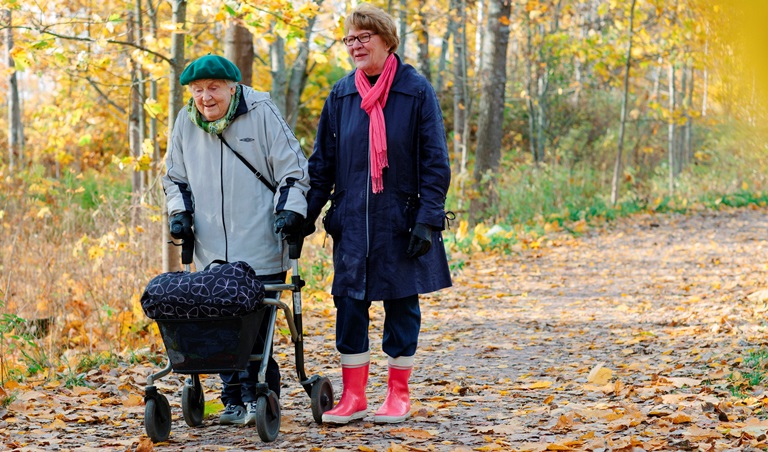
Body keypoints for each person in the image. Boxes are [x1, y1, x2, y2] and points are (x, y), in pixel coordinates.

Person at [303, 4, 452, 425]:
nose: (355, 45)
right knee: (349, 306)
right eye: (350, 39)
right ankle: (353, 396)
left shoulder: (414, 90)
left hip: (400, 220)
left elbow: (435, 162)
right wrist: (306, 215)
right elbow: (322, 164)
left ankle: (397, 395)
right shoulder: (341, 94)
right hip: (351, 221)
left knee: (401, 305)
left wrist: (428, 220)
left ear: (387, 40)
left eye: (363, 37)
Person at [162, 54, 309, 426]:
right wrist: (179, 213)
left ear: (233, 87)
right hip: (211, 249)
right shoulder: (185, 121)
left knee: (254, 329)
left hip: (260, 243)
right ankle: (232, 400)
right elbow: (174, 178)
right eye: (198, 90)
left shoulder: (261, 112)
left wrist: (290, 211)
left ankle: (260, 395)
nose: (205, 97)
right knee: (219, 325)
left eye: (213, 88)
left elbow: (294, 170)